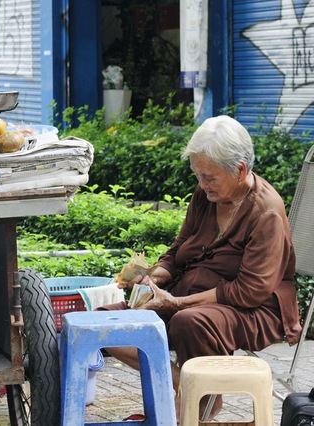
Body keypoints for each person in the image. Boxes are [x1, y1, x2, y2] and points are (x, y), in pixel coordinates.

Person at [100, 115, 302, 420]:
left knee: (188, 321)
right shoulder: (206, 196)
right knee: (106, 325)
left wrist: (177, 302)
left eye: (209, 177)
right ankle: (187, 382)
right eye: (198, 175)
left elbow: (250, 291)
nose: (202, 184)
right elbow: (180, 248)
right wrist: (154, 277)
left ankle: (200, 403)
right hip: (191, 291)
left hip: (253, 308)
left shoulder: (266, 212)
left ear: (240, 170)